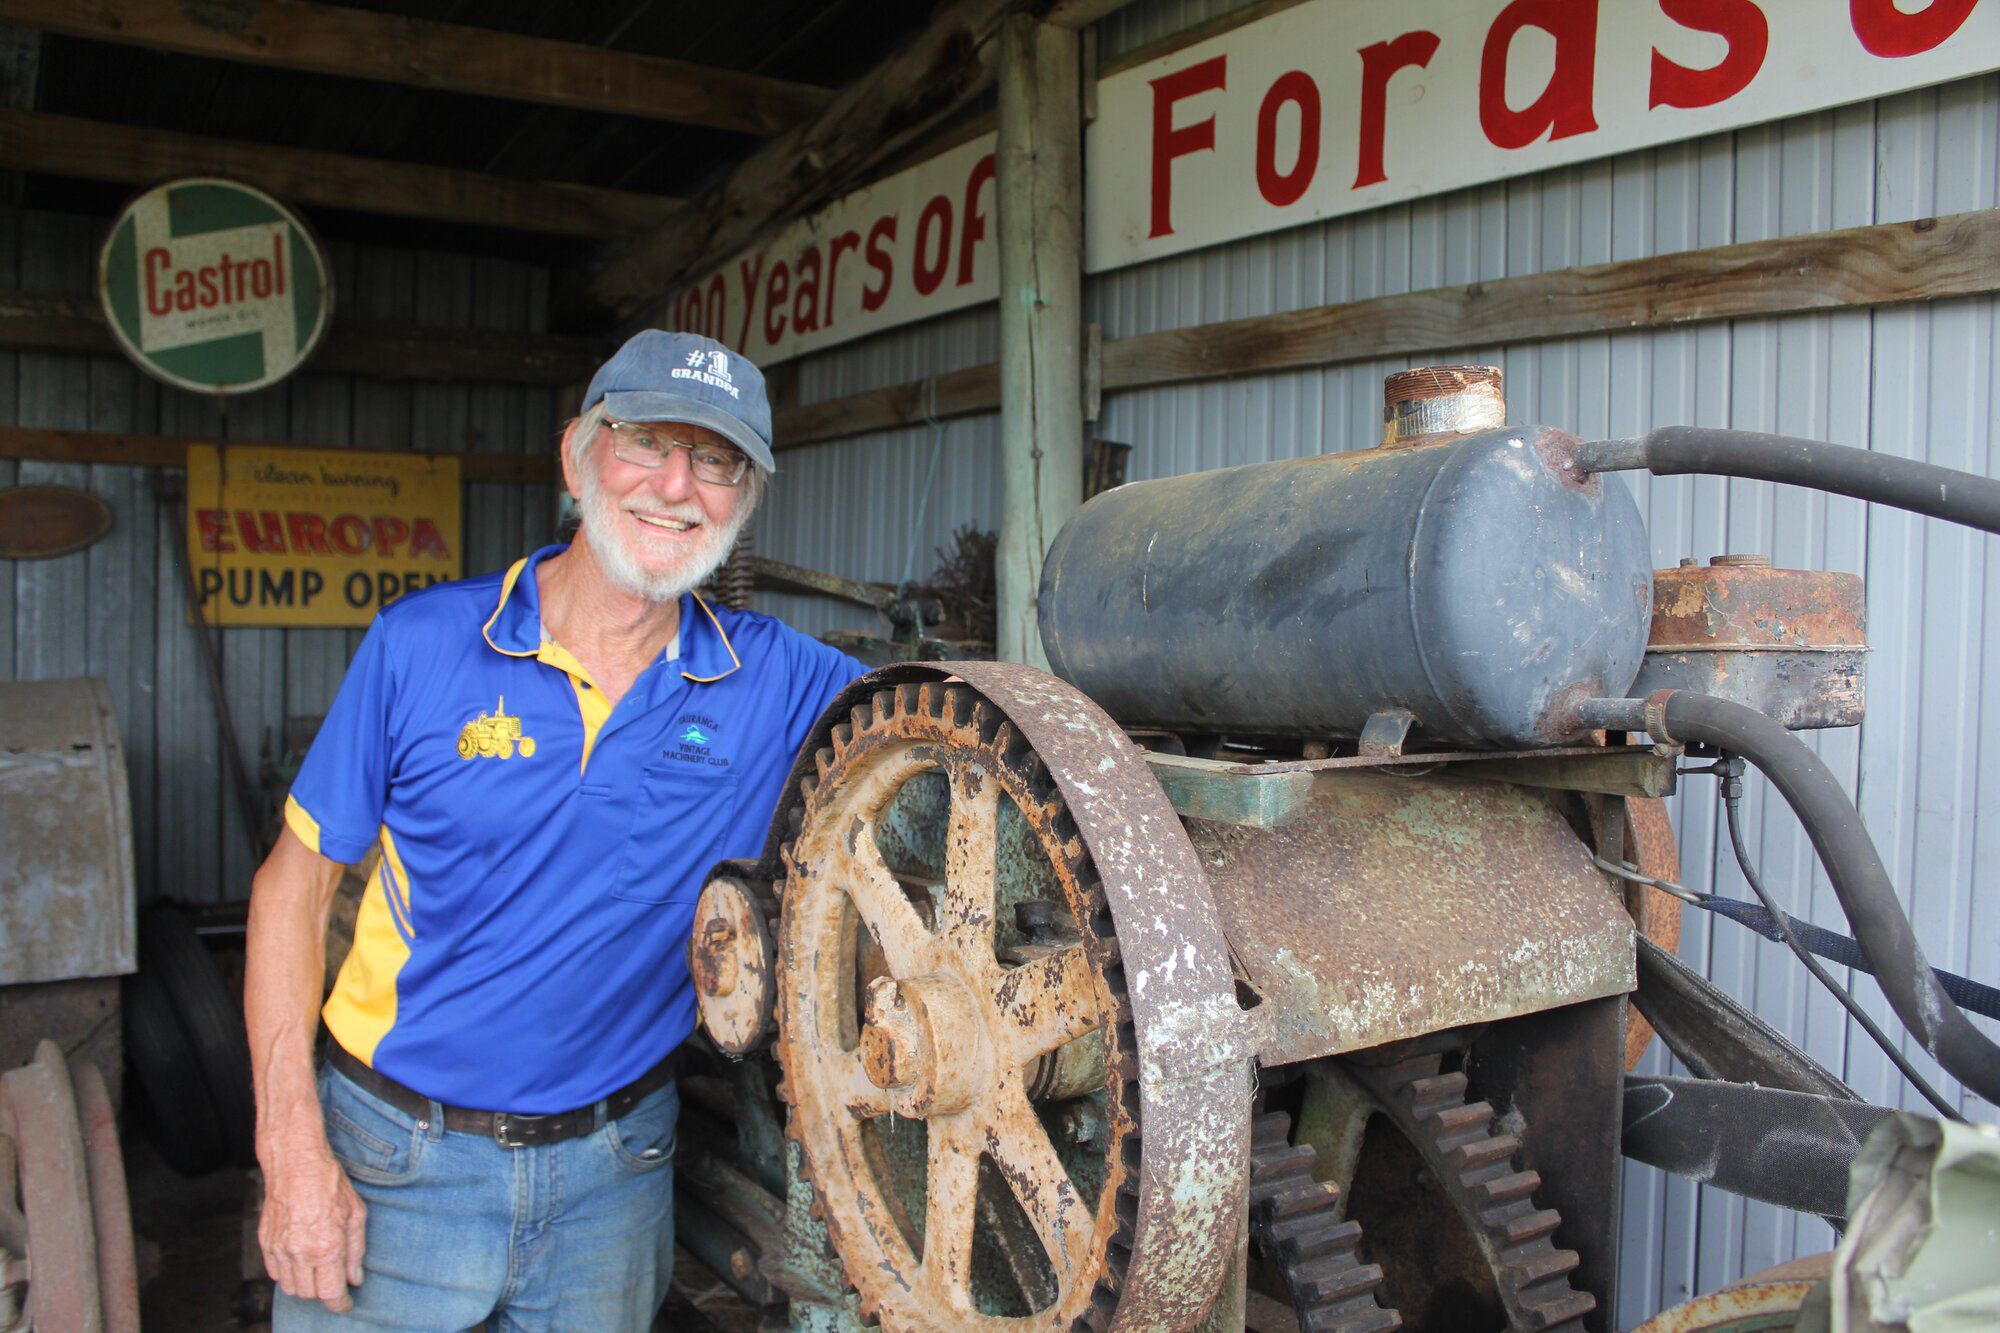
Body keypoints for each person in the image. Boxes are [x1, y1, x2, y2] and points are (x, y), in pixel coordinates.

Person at [245, 331, 867, 1329]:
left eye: (715, 461)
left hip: (612, 1177)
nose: (675, 485)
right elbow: (290, 889)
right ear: (577, 453)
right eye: (644, 443)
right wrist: (289, 1149)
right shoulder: (422, 646)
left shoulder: (778, 681)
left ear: (742, 497)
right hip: (393, 1161)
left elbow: (953, 729)